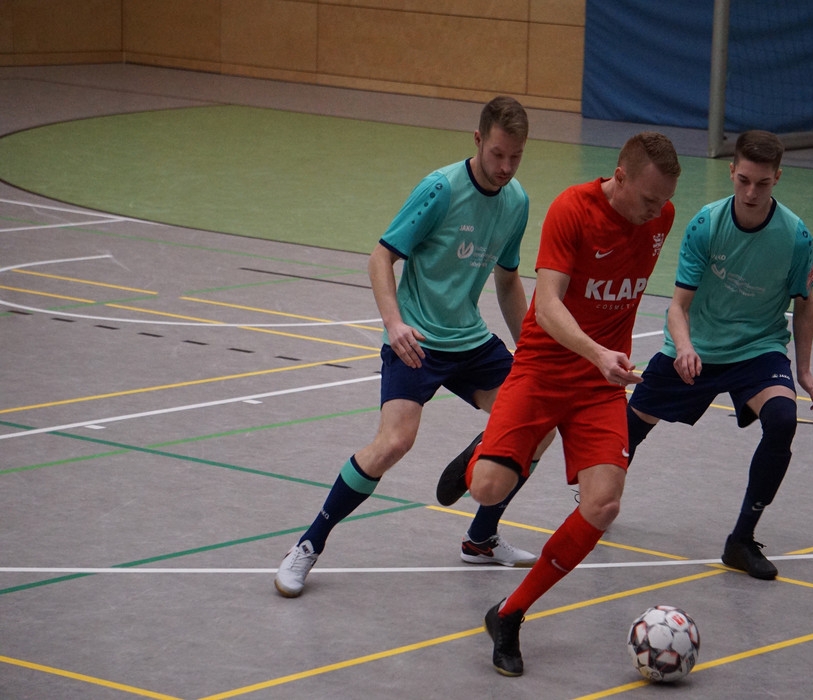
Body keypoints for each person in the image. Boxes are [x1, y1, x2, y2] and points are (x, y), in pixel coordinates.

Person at [274, 96, 551, 598]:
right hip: (416, 339)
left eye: (516, 157)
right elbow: (381, 258)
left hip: (470, 339)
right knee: (394, 443)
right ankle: (308, 545)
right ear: (477, 140)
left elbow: (508, 280)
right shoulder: (440, 189)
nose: (506, 167)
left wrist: (531, 351)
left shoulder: (517, 202)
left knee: (539, 422)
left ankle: (481, 538)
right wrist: (394, 323)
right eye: (497, 154)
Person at [436, 132, 682, 676]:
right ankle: (481, 454)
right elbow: (546, 307)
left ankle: (509, 613)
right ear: (620, 176)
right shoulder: (572, 209)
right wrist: (598, 352)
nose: (656, 211)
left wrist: (607, 361)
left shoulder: (659, 219)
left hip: (599, 384)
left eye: (664, 201)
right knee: (487, 488)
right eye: (647, 198)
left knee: (603, 504)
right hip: (544, 369)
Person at [626, 130, 813, 581]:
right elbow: (678, 306)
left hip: (758, 349)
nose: (752, 192)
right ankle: (596, 501)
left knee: (782, 420)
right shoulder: (707, 224)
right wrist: (684, 347)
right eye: (744, 181)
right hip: (698, 345)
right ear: (731, 172)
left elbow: (805, 302)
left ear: (778, 178)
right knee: (628, 430)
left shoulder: (796, 237)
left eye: (763, 183)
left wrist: (804, 369)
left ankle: (741, 540)